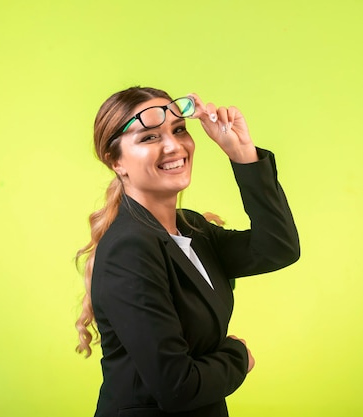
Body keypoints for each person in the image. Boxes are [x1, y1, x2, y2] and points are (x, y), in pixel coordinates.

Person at [75, 86, 300, 417]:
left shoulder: (191, 229)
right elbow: (177, 387)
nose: (173, 145)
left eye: (179, 130)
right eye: (149, 138)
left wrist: (242, 155)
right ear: (116, 161)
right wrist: (238, 355)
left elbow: (277, 248)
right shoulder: (130, 249)